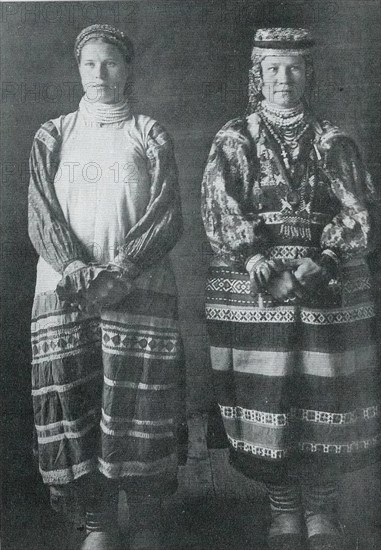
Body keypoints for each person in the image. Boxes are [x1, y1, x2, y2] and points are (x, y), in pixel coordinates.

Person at [201, 27, 380, 550]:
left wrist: (323, 259)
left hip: (327, 282)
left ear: (309, 74)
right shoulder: (234, 139)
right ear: (258, 75)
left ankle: (322, 508)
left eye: (295, 67)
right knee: (272, 395)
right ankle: (282, 508)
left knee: (326, 390)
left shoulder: (334, 139)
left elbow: (360, 212)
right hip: (255, 284)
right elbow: (219, 210)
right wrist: (258, 260)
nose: (284, 78)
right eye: (274, 68)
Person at [28, 24, 186, 550]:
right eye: (90, 63)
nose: (99, 74)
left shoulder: (149, 131)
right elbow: (41, 216)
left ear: (129, 69)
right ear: (78, 69)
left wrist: (123, 271)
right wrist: (76, 270)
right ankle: (98, 521)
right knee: (77, 401)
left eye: (111, 63)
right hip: (67, 292)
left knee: (138, 405)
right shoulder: (53, 135)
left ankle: (143, 515)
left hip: (136, 291)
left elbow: (166, 212)